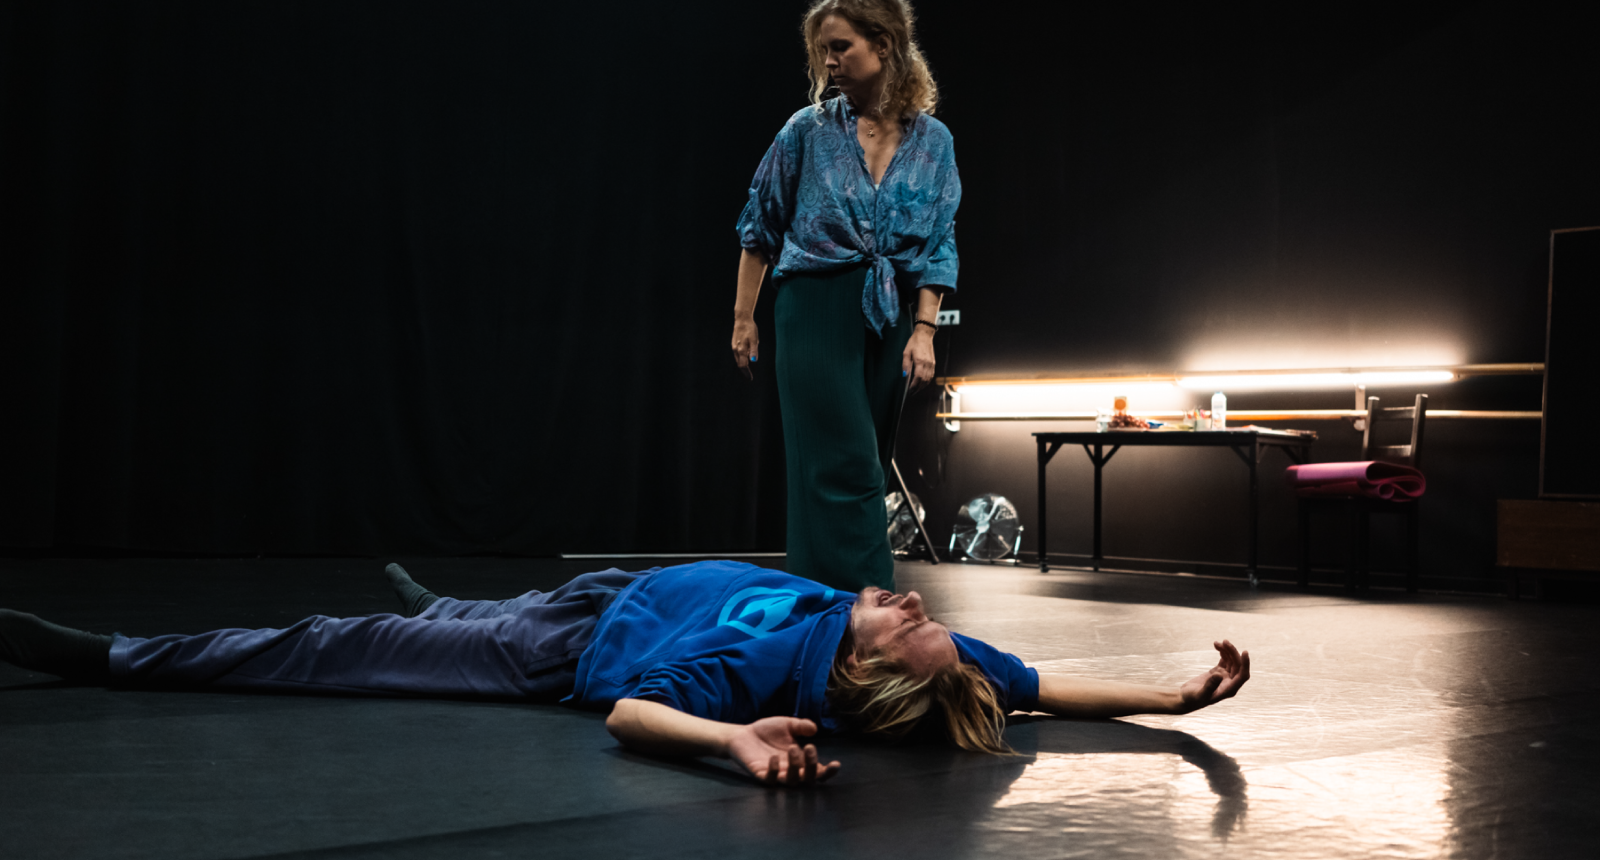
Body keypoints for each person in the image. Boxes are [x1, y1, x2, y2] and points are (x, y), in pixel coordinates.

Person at [0, 560, 1250, 787]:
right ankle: (445, 607)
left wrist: (731, 744)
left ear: (856, 673)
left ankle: (110, 655)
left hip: (562, 653)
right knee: (457, 611)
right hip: (612, 589)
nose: (918, 607)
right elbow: (1035, 688)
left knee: (338, 644)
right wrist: (1167, 696)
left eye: (901, 623)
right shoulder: (946, 663)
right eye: (920, 618)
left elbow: (632, 712)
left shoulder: (763, 672)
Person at [730, 0, 958, 593]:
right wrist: (744, 318)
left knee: (866, 466)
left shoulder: (933, 142)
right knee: (844, 464)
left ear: (884, 45)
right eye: (822, 50)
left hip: (887, 314)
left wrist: (924, 330)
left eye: (840, 46)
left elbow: (939, 243)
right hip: (815, 308)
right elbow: (760, 225)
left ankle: (821, 605)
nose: (828, 62)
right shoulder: (806, 130)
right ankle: (874, 599)